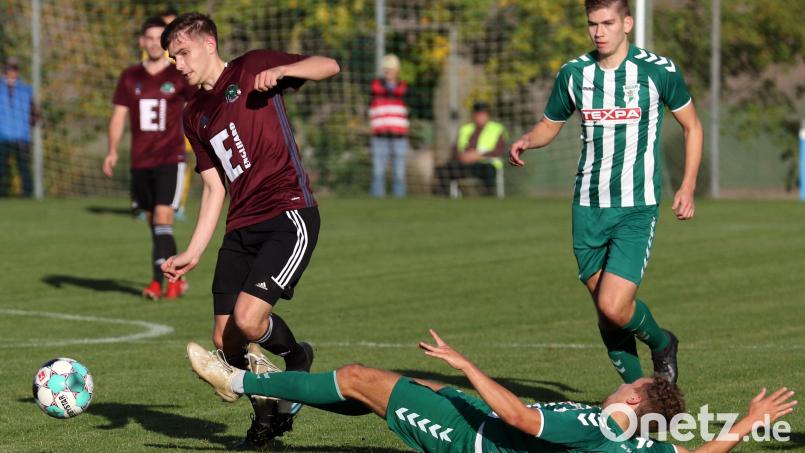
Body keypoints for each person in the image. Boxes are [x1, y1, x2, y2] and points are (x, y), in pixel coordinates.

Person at [158, 12, 340, 448]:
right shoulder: (193, 114)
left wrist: (284, 70)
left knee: (247, 319)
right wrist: (195, 250)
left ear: (208, 43)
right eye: (172, 57)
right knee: (225, 340)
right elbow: (213, 185)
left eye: (183, 53)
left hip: (287, 214)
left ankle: (297, 359)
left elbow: (329, 65)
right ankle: (265, 416)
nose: (178, 64)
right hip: (240, 225)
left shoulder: (253, 66)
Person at [186, 329, 797, 453]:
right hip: (479, 419)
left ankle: (237, 380)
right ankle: (285, 394)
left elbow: (524, 420)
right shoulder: (650, 449)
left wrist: (466, 364)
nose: (622, 383)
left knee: (356, 378)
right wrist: (747, 422)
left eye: (629, 383)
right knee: (387, 390)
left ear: (635, 402)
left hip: (472, 437)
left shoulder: (596, 430)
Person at [509, 0, 704, 384]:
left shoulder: (656, 71)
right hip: (587, 206)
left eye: (608, 23)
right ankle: (636, 397)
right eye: (592, 24)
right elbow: (551, 124)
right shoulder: (574, 73)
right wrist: (526, 141)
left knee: (615, 306)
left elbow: (692, 127)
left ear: (627, 23)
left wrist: (688, 185)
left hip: (636, 206)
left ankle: (662, 343)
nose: (599, 31)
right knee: (605, 310)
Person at [103, 16, 196, 300]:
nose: (154, 42)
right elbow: (118, 116)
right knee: (155, 223)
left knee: (163, 215)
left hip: (171, 157)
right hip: (140, 161)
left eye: (160, 37)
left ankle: (158, 282)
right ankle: (176, 279)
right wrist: (112, 150)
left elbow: (197, 104)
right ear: (142, 42)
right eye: (149, 37)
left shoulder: (177, 74)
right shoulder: (130, 76)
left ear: (165, 42)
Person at [435, 101, 507, 196]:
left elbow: (500, 150)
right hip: (465, 163)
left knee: (489, 171)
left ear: (488, 116)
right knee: (444, 169)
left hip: (486, 163)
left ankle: (489, 198)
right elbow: (454, 149)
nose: (480, 117)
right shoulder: (465, 129)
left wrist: (479, 155)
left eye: (482, 114)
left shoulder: (497, 129)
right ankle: (445, 198)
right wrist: (461, 156)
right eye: (477, 114)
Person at [369, 54, 410, 198]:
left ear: (396, 71)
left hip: (399, 136)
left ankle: (399, 201)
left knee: (399, 173)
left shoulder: (405, 89)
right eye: (386, 69)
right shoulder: (375, 87)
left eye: (391, 69)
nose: (388, 72)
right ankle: (376, 200)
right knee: (378, 172)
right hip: (380, 136)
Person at [0, 57, 36, 198]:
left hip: (21, 135)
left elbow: (34, 111)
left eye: (15, 69)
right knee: (1, 167)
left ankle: (27, 194)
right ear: (5, 70)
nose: (13, 72)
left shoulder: (26, 89)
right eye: (10, 69)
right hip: (2, 135)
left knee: (24, 167)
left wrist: (30, 124)